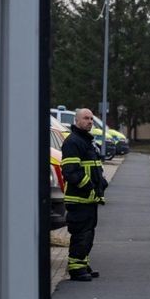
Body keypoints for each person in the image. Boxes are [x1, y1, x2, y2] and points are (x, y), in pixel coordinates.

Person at [60, 108, 108, 282]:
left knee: (87, 233)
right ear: (77, 121)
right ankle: (76, 269)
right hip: (79, 198)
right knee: (81, 233)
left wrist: (101, 183)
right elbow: (71, 172)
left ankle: (83, 264)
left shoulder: (86, 141)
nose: (89, 121)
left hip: (89, 199)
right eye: (86, 118)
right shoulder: (73, 142)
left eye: (91, 119)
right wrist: (90, 186)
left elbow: (94, 168)